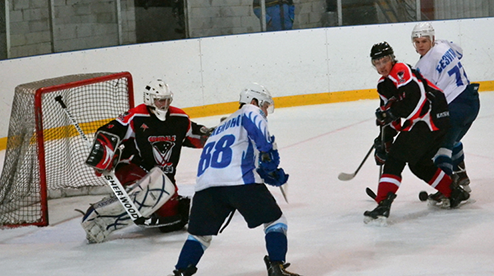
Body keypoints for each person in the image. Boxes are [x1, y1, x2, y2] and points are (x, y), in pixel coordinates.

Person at [170, 83, 300, 276]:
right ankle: (276, 266)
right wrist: (267, 156)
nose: (265, 111)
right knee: (275, 221)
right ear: (254, 101)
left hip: (206, 187)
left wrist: (267, 173)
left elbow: (241, 154)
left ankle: (180, 272)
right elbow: (260, 140)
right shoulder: (250, 110)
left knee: (199, 236)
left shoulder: (221, 126)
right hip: (240, 183)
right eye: (264, 106)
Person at [81, 78, 212, 242]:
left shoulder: (179, 119)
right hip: (134, 169)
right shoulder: (136, 116)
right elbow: (108, 132)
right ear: (150, 100)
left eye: (166, 100)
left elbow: (198, 135)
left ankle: (150, 206)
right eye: (159, 100)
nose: (163, 104)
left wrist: (217, 135)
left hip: (164, 180)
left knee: (173, 222)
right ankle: (101, 215)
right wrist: (104, 156)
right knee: (143, 196)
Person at [364, 42, 470, 224]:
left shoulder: (401, 70)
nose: (381, 66)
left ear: (391, 59)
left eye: (384, 60)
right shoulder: (383, 85)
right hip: (430, 120)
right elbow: (389, 116)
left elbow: (416, 101)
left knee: (396, 157)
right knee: (418, 163)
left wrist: (391, 115)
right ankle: (454, 193)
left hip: (432, 118)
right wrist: (384, 140)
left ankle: (383, 204)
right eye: (377, 62)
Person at [411, 22, 480, 193]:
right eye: (417, 42)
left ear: (431, 40)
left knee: (439, 146)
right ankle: (461, 176)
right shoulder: (443, 44)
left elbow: (424, 98)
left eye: (424, 41)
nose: (420, 45)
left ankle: (447, 191)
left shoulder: (422, 68)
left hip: (455, 107)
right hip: (471, 100)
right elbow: (459, 52)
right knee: (453, 140)